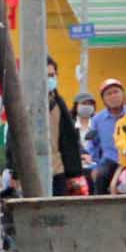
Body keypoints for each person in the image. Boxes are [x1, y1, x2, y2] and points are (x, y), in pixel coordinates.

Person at [47, 59, 88, 195]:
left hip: (58, 170)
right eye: (45, 76)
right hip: (31, 173)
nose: (49, 79)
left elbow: (69, 139)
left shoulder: (59, 103)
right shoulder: (25, 104)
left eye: (52, 75)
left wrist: (74, 173)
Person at [85, 78, 126, 193]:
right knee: (100, 178)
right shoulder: (97, 119)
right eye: (109, 94)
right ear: (103, 99)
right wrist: (94, 167)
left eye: (116, 92)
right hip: (110, 161)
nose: (113, 96)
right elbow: (92, 146)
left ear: (123, 94)